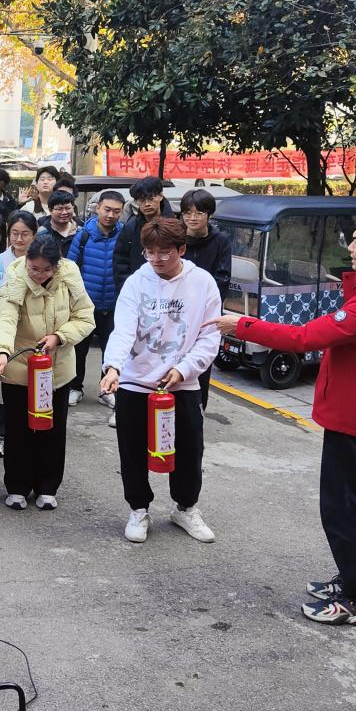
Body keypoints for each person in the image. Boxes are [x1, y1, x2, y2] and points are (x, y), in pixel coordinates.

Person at [205, 210, 356, 626]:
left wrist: (243, 325)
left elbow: (305, 337)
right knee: (346, 506)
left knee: (344, 510)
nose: (350, 247)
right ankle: (352, 581)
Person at [100, 217, 221, 547]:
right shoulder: (136, 283)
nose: (156, 259)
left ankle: (186, 508)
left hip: (182, 383)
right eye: (150, 252)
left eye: (164, 252)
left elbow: (210, 336)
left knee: (189, 450)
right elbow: (123, 329)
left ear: (182, 249)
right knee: (132, 450)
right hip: (135, 382)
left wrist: (184, 369)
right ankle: (138, 509)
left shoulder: (202, 283)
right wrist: (113, 367)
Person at [0, 235, 94, 510]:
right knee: (18, 429)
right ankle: (17, 487)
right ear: (26, 262)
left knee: (52, 429)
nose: (39, 275)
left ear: (57, 266)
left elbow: (85, 317)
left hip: (56, 369)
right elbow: (4, 318)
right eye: (34, 268)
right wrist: (2, 351)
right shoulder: (15, 275)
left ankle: (47, 487)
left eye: (46, 269)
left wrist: (60, 336)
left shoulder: (69, 276)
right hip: (20, 367)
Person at [67, 189, 124, 412]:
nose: (110, 215)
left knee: (111, 351)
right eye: (107, 209)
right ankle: (75, 387)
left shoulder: (125, 235)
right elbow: (70, 269)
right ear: (97, 208)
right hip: (85, 306)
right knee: (79, 349)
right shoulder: (83, 236)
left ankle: (106, 390)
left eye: (116, 211)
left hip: (114, 304)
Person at [177, 189, 232, 410]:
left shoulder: (220, 241)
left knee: (201, 362)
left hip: (205, 313)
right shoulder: (176, 237)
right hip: (176, 310)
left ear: (209, 214)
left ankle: (198, 409)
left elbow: (223, 279)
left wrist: (204, 305)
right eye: (187, 213)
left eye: (199, 213)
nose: (192, 218)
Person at [112, 176, 174, 292]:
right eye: (141, 200)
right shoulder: (131, 227)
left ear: (160, 196)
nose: (147, 204)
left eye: (151, 199)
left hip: (170, 289)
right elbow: (120, 262)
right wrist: (129, 288)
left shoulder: (174, 226)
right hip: (137, 290)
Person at [0, 210, 37, 291]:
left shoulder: (42, 261)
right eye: (15, 234)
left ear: (34, 235)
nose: (19, 239)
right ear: (9, 234)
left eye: (25, 234)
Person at [38, 190, 80, 255]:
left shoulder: (81, 231)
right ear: (50, 210)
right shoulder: (41, 233)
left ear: (73, 208)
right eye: (59, 209)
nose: (64, 212)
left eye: (68, 208)